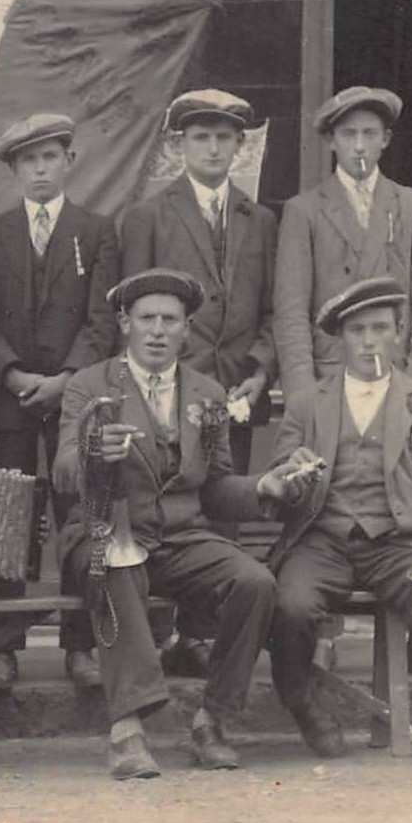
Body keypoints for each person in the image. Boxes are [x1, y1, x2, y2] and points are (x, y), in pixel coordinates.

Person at [52, 269, 301, 779]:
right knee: (116, 566)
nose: (158, 331)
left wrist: (262, 489)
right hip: (105, 529)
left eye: (171, 320)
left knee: (254, 582)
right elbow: (61, 472)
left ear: (188, 329)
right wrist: (93, 455)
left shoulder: (207, 394)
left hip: (182, 537)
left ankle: (213, 720)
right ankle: (127, 731)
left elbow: (215, 488)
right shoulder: (88, 384)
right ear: (125, 323)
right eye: (147, 319)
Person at [265, 276, 412, 766]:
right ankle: (301, 700)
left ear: (399, 334)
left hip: (396, 541)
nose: (369, 341)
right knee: (289, 603)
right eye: (357, 331)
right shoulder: (309, 403)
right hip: (322, 541)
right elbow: (279, 479)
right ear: (341, 338)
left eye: (380, 328)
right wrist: (291, 477)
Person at [119, 89, 280, 676]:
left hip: (236, 392)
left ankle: (204, 636)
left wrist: (260, 372)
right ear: (179, 145)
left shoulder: (260, 218)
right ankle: (159, 637)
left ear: (240, 147)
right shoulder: (149, 216)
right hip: (171, 390)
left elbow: (272, 309)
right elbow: (137, 311)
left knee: (226, 504)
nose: (213, 148)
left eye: (224, 138)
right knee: (168, 504)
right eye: (200, 137)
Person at [0, 111, 120, 693]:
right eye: (27, 161)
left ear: (68, 162)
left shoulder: (97, 231)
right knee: (5, 521)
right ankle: (2, 650)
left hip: (75, 399)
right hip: (10, 400)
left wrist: (68, 380)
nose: (39, 169)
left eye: (49, 157)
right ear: (14, 170)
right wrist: (12, 376)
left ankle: (81, 645)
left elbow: (104, 321)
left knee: (79, 518)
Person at [274, 86, 412, 399]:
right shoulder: (304, 211)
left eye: (370, 134)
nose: (359, 146)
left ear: (385, 140)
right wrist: (302, 389)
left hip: (397, 373)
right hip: (330, 375)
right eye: (348, 134)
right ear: (331, 141)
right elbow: (292, 310)